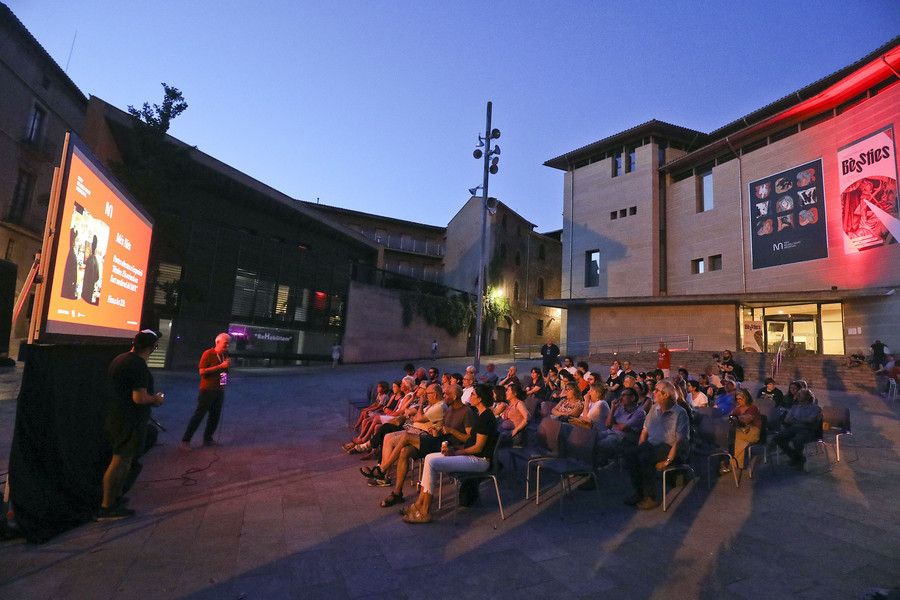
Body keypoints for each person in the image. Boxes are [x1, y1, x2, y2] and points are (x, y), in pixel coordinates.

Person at [401, 383, 497, 523]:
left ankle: (425, 511)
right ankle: (419, 504)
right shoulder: (480, 414)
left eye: (473, 394)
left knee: (433, 462)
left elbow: (478, 447)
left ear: (480, 399)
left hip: (480, 460)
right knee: (428, 458)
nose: (470, 396)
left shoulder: (486, 418)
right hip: (471, 455)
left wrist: (456, 452)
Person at [96, 330, 164, 521]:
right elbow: (139, 398)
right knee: (121, 461)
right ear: (152, 348)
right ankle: (107, 507)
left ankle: (113, 499)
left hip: (117, 417)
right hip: (128, 420)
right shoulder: (137, 365)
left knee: (123, 460)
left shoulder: (121, 358)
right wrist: (156, 399)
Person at [623, 380, 690, 510]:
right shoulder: (655, 408)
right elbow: (644, 431)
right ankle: (639, 492)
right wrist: (640, 448)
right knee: (630, 454)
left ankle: (650, 497)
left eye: (657, 390)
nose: (653, 392)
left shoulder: (680, 413)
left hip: (669, 446)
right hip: (652, 443)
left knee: (645, 458)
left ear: (666, 395)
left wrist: (668, 461)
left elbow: (680, 440)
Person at [180, 333, 231, 450]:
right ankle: (185, 440)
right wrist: (220, 366)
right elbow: (202, 371)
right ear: (218, 342)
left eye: (228, 343)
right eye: (226, 343)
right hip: (207, 390)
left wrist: (224, 378)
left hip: (219, 390)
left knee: (215, 416)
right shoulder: (208, 354)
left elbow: (224, 371)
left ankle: (208, 439)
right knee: (199, 415)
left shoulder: (225, 355)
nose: (228, 345)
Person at [772, 389, 822, 469]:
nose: (798, 396)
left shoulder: (816, 408)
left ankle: (797, 459)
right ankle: (797, 457)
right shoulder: (795, 407)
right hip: (794, 428)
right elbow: (787, 419)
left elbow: (811, 420)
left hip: (808, 430)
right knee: (777, 438)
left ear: (808, 396)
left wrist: (796, 419)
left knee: (797, 440)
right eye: (798, 394)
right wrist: (800, 420)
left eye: (801, 394)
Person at [723, 389, 761, 473]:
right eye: (737, 399)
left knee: (731, 437)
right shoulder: (737, 409)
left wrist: (734, 418)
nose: (739, 401)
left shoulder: (752, 408)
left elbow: (746, 420)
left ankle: (733, 462)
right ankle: (727, 459)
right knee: (725, 436)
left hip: (752, 431)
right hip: (740, 430)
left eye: (741, 399)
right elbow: (728, 417)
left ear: (746, 398)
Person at [81, 234, 101, 305]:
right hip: (90, 289)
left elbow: (86, 277)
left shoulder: (89, 260)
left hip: (86, 289)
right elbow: (97, 277)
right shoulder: (96, 260)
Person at [62, 228, 80, 299]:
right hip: (68, 289)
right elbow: (72, 275)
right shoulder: (71, 253)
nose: (75, 242)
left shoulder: (68, 251)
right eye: (74, 240)